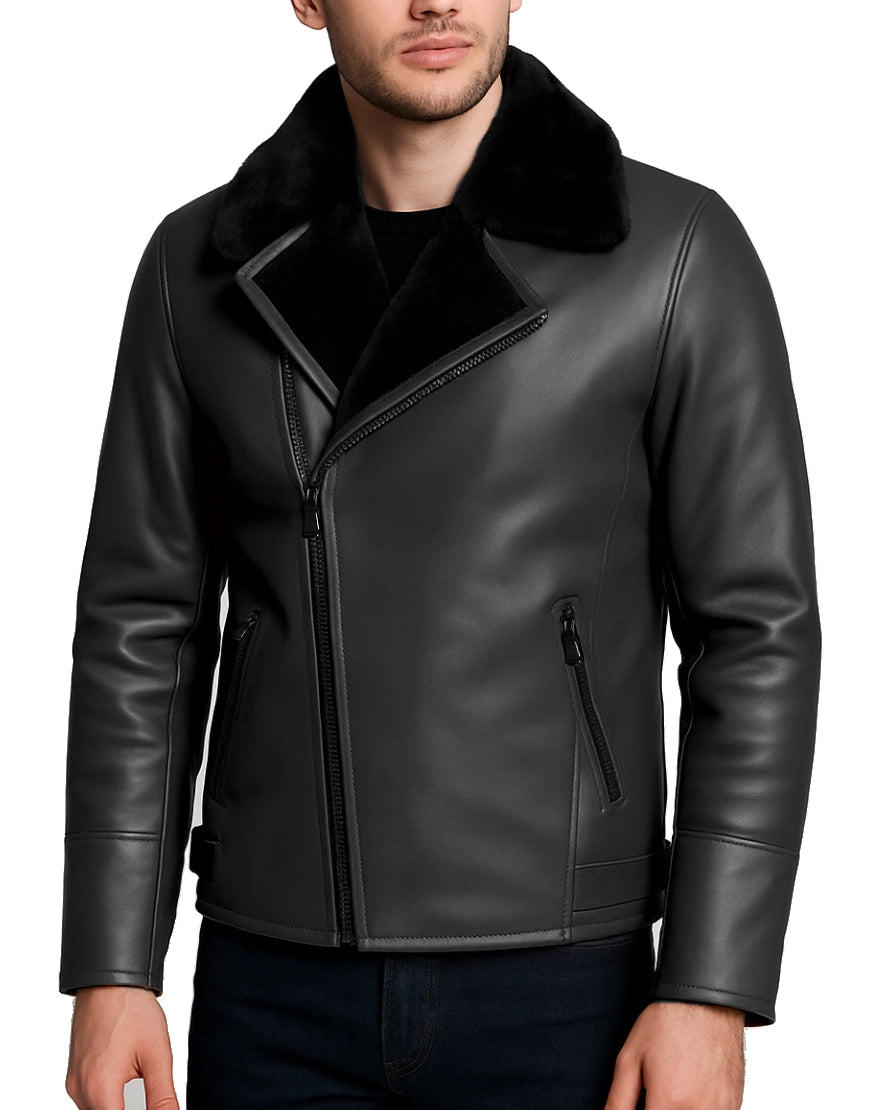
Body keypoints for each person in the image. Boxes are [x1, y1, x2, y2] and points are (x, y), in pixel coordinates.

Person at [60, 1, 822, 1108]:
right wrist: (114, 965)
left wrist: (711, 986)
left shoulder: (671, 252)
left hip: (565, 982)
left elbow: (757, 633)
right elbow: (143, 628)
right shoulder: (199, 264)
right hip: (272, 981)